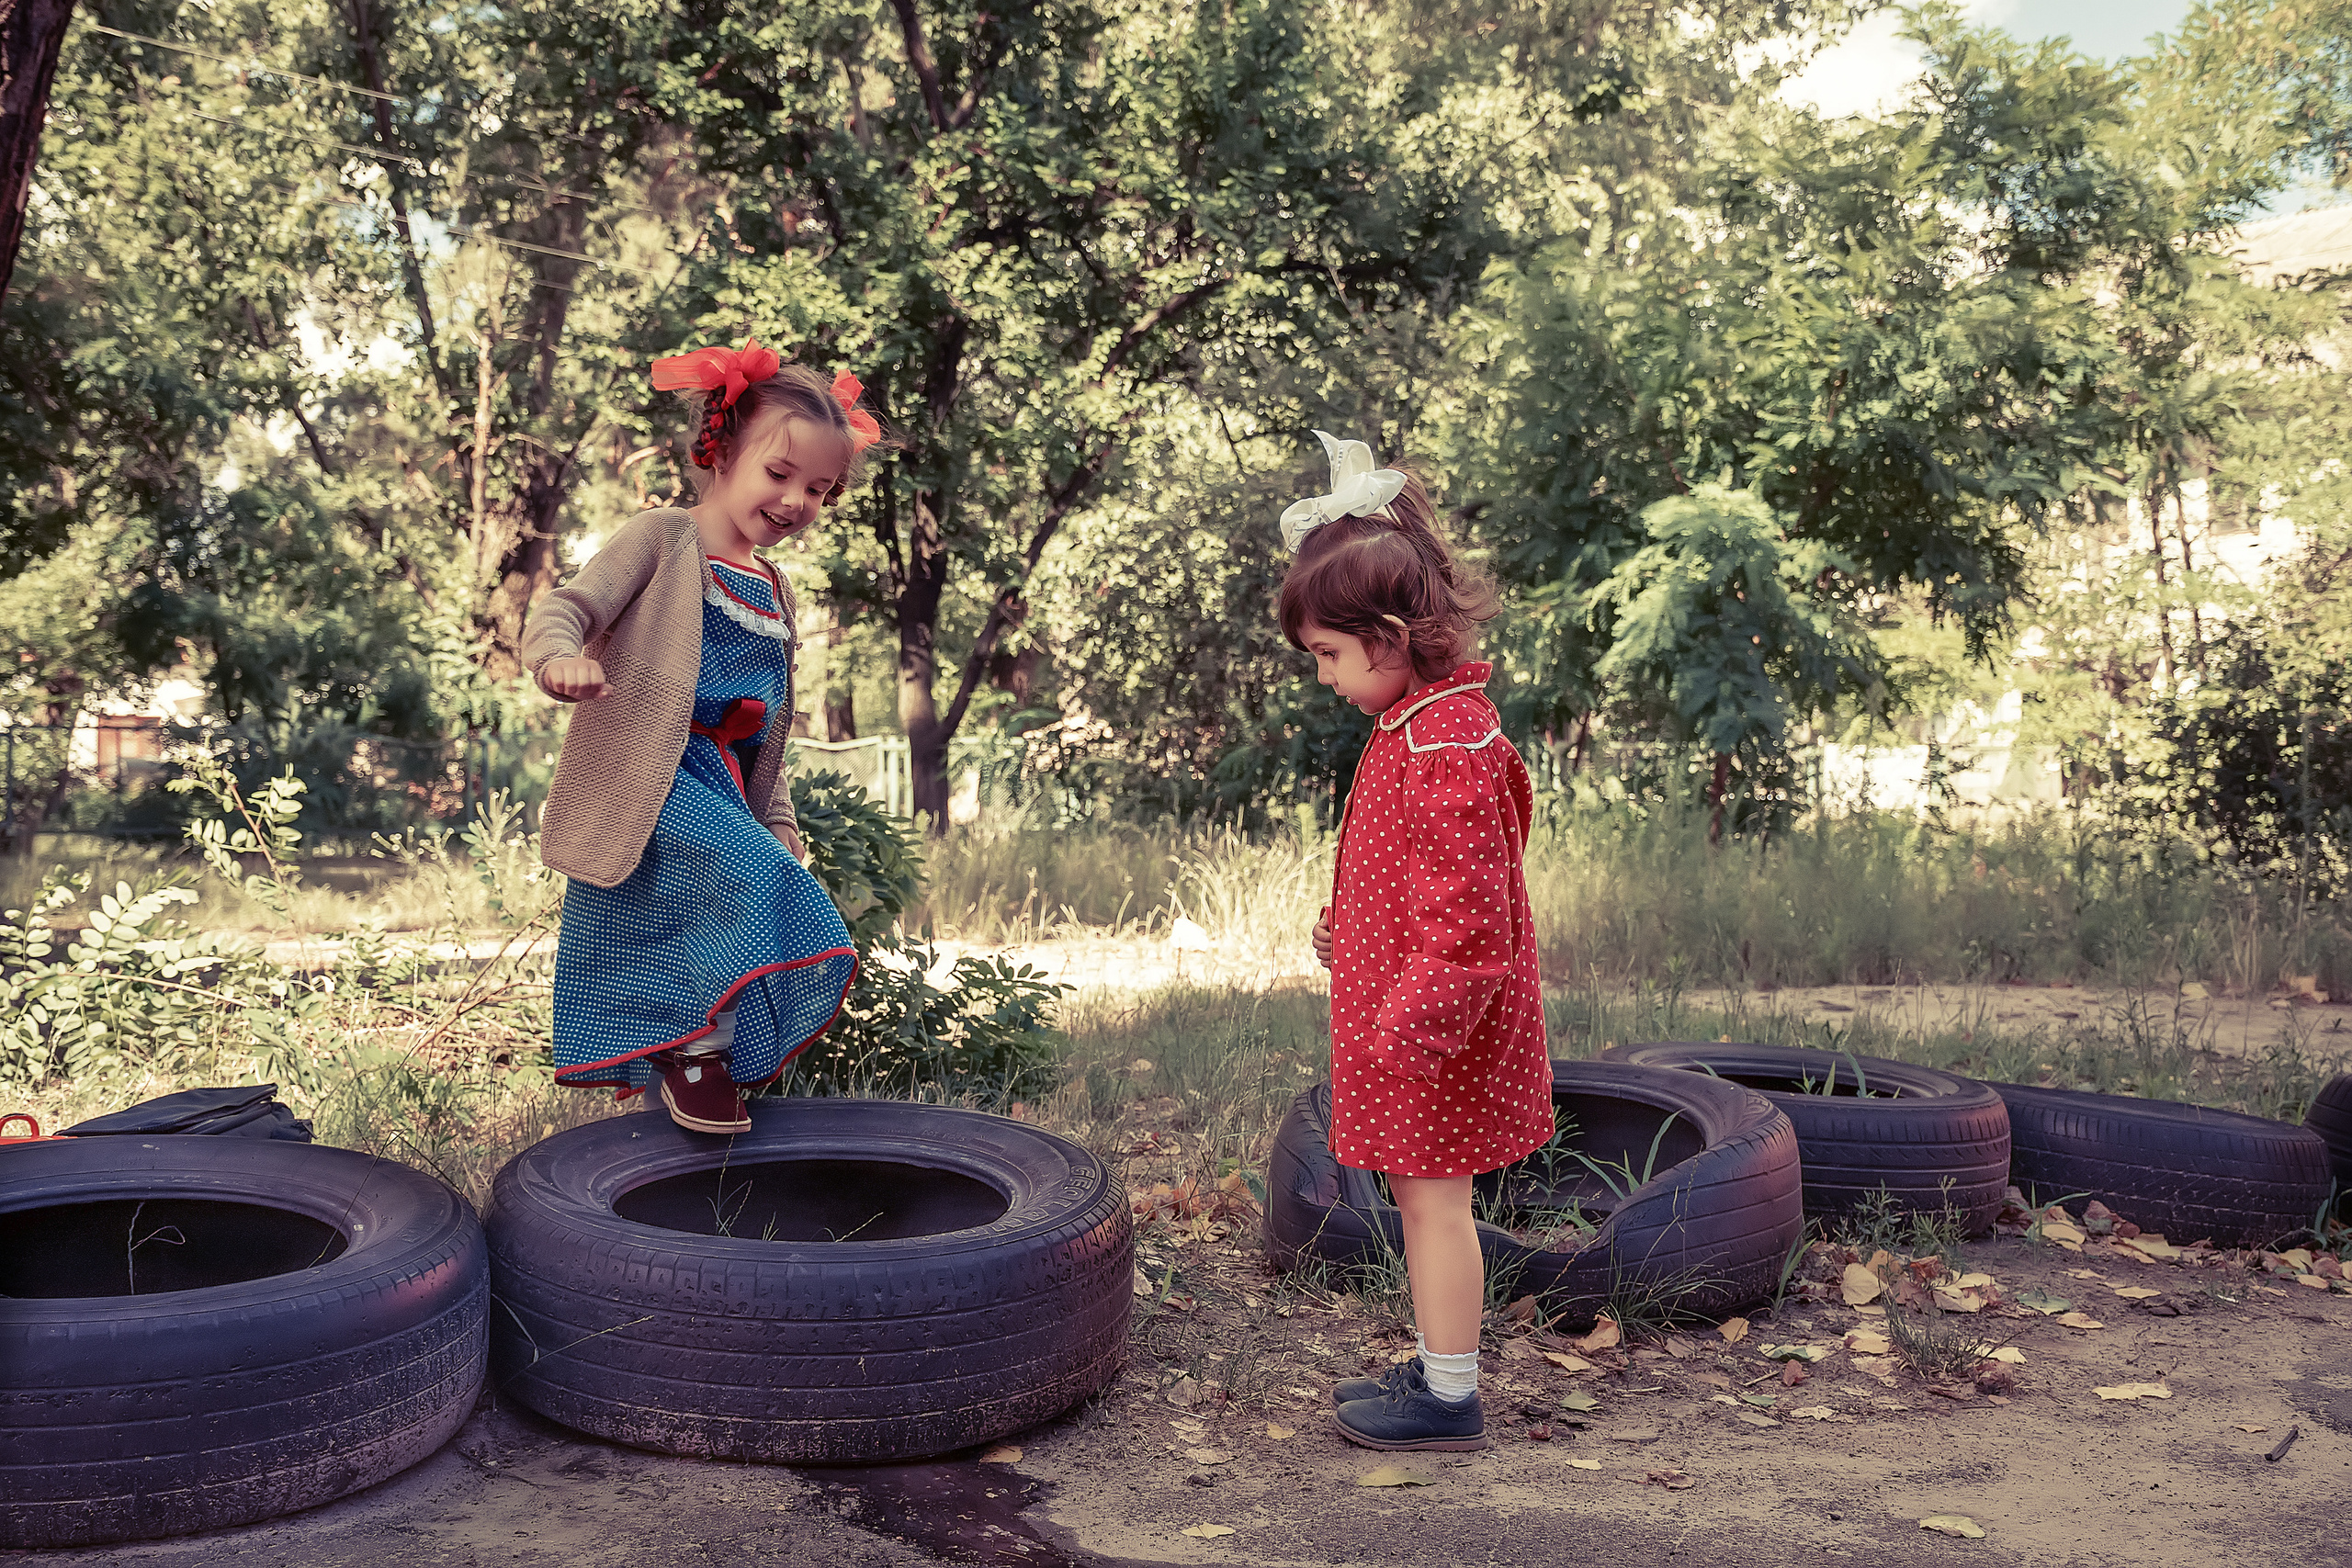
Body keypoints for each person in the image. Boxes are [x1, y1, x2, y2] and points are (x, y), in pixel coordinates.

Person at [518, 339, 881, 1134]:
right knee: (760, 885)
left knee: (740, 887)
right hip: (650, 770)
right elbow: (568, 607)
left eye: (819, 489)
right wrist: (558, 659)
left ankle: (692, 1070)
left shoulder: (776, 589)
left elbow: (769, 733)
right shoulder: (663, 538)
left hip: (721, 780)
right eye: (779, 474)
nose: (796, 501)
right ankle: (695, 1055)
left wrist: (777, 821)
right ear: (719, 453)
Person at [1278, 432, 1554, 1450]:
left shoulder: (1442, 742)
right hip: (1413, 1014)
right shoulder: (1426, 724)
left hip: (1430, 1032)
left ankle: (1448, 1398)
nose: (1323, 678)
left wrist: (1410, 1031)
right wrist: (1349, 930)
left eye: (1328, 656)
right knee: (1419, 1199)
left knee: (1434, 1206)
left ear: (1389, 636)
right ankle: (1441, 1366)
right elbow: (1428, 883)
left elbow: (1470, 924)